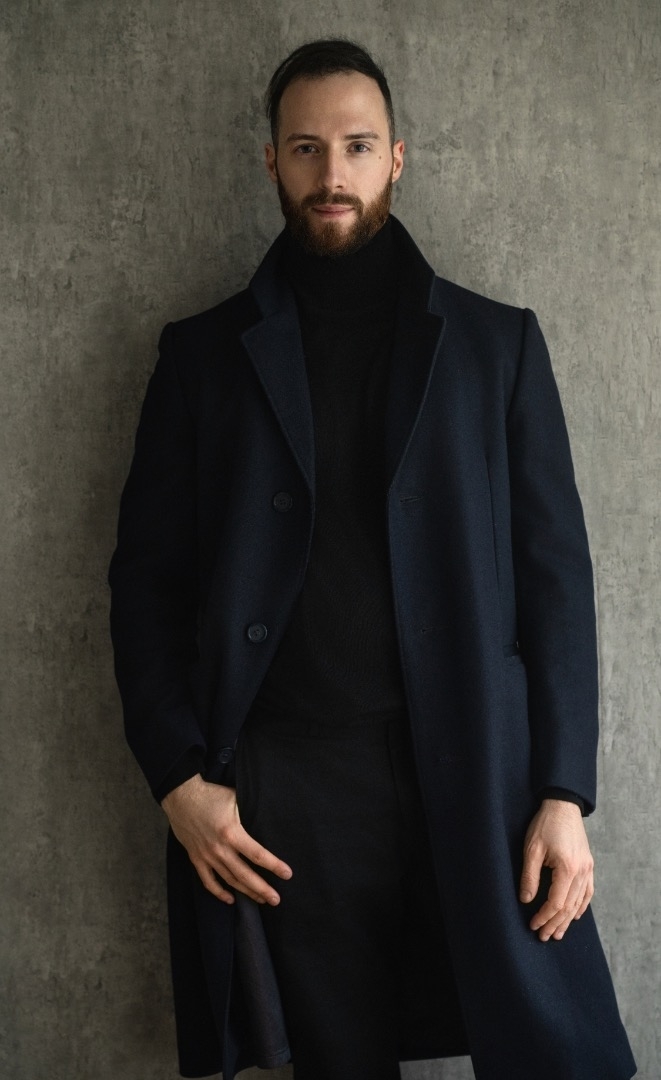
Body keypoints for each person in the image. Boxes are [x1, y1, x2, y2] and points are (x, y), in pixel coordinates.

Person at [109, 38, 636, 1080]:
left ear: (397, 156)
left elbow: (556, 585)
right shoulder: (201, 357)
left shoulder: (495, 347)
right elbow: (144, 587)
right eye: (306, 148)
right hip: (287, 788)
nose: (331, 174)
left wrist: (563, 792)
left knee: (559, 1053)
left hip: (476, 767)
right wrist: (177, 779)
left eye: (355, 146)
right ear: (271, 161)